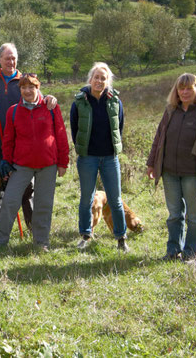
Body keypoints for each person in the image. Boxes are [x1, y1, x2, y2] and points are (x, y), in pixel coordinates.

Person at [146, 73, 196, 262]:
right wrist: (151, 164)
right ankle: (173, 251)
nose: (184, 92)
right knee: (174, 215)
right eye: (181, 88)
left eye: (189, 88)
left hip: (193, 174)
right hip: (169, 173)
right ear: (176, 91)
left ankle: (191, 253)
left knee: (194, 216)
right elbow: (158, 139)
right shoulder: (170, 111)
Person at [0, 43, 56, 229]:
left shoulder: (24, 81)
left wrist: (50, 99)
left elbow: (39, 99)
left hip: (22, 144)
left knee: (26, 188)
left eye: (14, 58)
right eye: (7, 58)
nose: (11, 61)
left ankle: (31, 225)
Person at [0, 74, 69, 249]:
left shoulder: (50, 107)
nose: (27, 91)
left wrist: (63, 162)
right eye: (23, 87)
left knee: (43, 204)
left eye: (31, 87)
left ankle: (41, 242)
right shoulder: (13, 111)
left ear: (38, 87)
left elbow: (61, 135)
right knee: (10, 201)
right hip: (21, 165)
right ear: (20, 90)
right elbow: (9, 140)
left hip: (48, 165)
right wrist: (6, 162)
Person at [71, 62, 129, 251]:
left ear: (108, 81)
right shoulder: (79, 102)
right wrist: (82, 149)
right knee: (86, 198)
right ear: (90, 79)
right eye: (96, 77)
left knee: (115, 199)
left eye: (103, 78)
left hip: (109, 158)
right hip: (88, 158)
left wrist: (112, 148)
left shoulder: (115, 102)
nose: (99, 81)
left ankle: (121, 238)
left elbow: (118, 127)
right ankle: (85, 236)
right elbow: (74, 128)